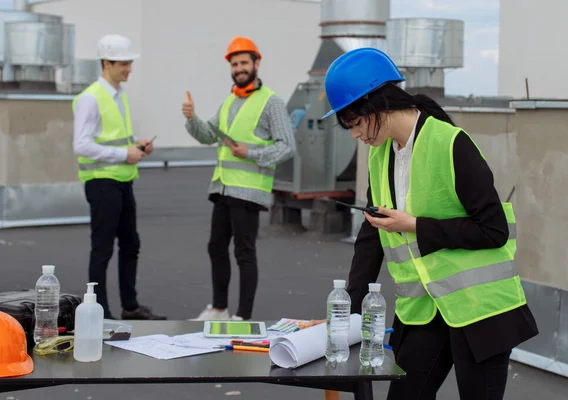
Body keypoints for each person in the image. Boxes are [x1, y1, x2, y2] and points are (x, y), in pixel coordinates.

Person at [321, 48, 539, 400]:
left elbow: (494, 231)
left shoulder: (451, 144)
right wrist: (352, 306)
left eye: (356, 123)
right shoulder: (380, 155)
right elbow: (372, 235)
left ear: (377, 104)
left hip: (479, 310)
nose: (355, 135)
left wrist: (415, 225)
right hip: (423, 313)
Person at [182, 36, 296, 321]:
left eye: (244, 62)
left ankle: (243, 317)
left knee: (244, 253)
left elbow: (287, 146)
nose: (239, 68)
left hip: (248, 191)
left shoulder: (272, 102)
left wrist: (252, 153)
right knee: (216, 247)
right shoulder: (230, 101)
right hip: (223, 187)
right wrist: (191, 118)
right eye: (234, 64)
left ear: (256, 63)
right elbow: (208, 135)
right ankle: (219, 309)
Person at [72, 34, 165, 321]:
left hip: (123, 180)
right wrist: (124, 154)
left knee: (130, 244)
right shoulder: (90, 98)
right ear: (106, 63)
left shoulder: (118, 95)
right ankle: (99, 312)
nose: (129, 69)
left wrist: (137, 145)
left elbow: (113, 139)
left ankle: (130, 306)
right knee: (102, 248)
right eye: (124, 63)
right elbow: (81, 145)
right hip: (102, 182)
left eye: (129, 63)